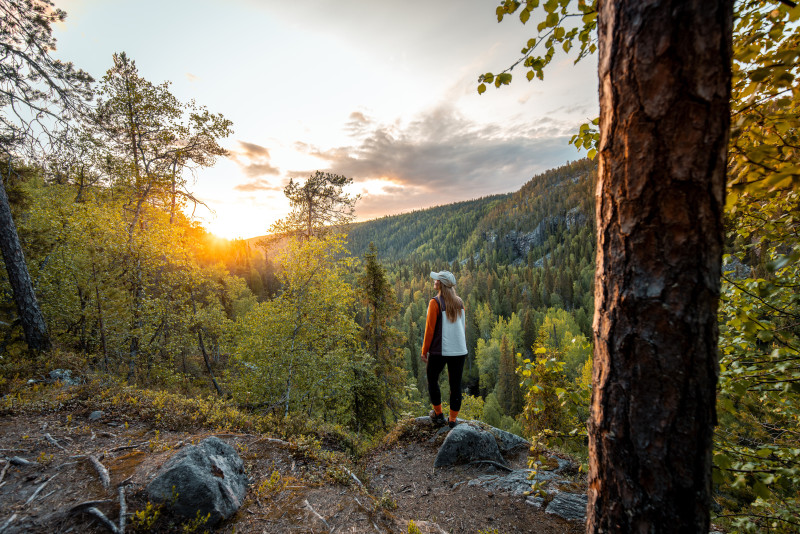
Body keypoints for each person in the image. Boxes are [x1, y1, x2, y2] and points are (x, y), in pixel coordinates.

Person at [421, 270, 468, 428]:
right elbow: (463, 327)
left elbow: (429, 330)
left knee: (432, 380)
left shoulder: (435, 302)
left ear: (442, 284)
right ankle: (453, 420)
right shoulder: (459, 302)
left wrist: (424, 350)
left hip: (440, 350)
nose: (434, 281)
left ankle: (439, 414)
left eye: (437, 280)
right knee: (456, 385)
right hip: (459, 350)